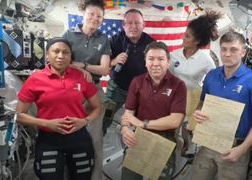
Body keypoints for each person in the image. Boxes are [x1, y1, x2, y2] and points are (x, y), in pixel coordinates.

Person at [16, 37, 102, 180]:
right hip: (49, 140)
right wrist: (46, 123)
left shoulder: (81, 77)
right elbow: (19, 115)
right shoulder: (35, 79)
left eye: (65, 52)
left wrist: (84, 121)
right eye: (56, 51)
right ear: (48, 55)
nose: (60, 56)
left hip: (79, 139)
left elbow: (97, 108)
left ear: (71, 57)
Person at [192, 31, 252, 180]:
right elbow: (201, 104)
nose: (227, 54)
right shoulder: (212, 76)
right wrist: (198, 112)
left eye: (233, 50)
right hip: (208, 143)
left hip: (235, 148)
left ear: (243, 52)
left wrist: (242, 149)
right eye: (224, 49)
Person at [120, 41, 187, 179]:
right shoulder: (137, 82)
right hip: (137, 138)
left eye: (161, 59)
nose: (155, 63)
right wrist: (125, 128)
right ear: (145, 62)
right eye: (151, 59)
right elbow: (128, 114)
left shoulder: (179, 86)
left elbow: (175, 121)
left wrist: (142, 123)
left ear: (168, 62)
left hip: (164, 140)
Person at [62, 0, 110, 178]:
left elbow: (104, 69)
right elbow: (60, 63)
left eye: (99, 16)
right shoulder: (68, 35)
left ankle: (95, 177)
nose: (95, 18)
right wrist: (77, 68)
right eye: (91, 14)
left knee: (95, 139)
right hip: (69, 91)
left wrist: (81, 65)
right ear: (83, 14)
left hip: (94, 90)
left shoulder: (103, 39)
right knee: (68, 136)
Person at [102, 8, 155, 135]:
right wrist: (114, 61)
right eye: (129, 23)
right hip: (117, 88)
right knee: (105, 116)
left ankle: (134, 147)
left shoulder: (151, 43)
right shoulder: (114, 40)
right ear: (124, 25)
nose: (133, 26)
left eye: (137, 23)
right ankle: (96, 142)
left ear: (144, 25)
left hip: (141, 91)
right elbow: (103, 66)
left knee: (141, 122)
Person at [170, 10, 221, 133]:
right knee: (172, 131)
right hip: (174, 98)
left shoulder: (206, 61)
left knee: (190, 132)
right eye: (184, 34)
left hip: (193, 100)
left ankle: (190, 150)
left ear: (197, 41)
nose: (183, 38)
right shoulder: (174, 55)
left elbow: (215, 83)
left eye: (187, 36)